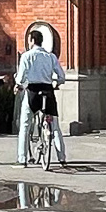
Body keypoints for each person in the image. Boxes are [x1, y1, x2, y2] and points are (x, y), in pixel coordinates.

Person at [15, 29, 66, 166]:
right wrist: (56, 83)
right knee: (55, 126)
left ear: (31, 41)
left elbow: (20, 79)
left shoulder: (26, 56)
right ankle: (62, 158)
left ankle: (22, 158)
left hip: (32, 91)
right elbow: (61, 76)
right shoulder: (50, 56)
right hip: (48, 92)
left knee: (25, 126)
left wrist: (19, 85)